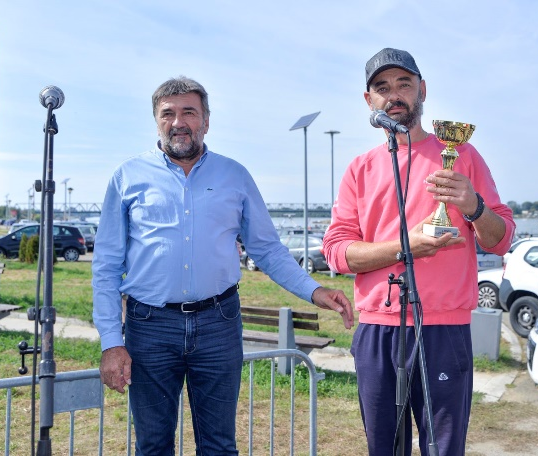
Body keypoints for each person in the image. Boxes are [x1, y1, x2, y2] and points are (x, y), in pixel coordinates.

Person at [92, 76, 354, 455]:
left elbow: (267, 249)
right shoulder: (127, 177)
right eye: (167, 114)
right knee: (152, 445)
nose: (178, 122)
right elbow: (105, 266)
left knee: (219, 445)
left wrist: (314, 290)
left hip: (218, 324)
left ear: (206, 121)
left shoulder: (235, 176)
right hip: (150, 328)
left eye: (189, 112)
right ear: (156, 121)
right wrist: (111, 342)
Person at [322, 48, 515, 455]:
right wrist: (406, 247)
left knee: (443, 449)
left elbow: (500, 240)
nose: (394, 95)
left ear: (422, 90)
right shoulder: (360, 168)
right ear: (369, 100)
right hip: (378, 329)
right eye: (382, 88)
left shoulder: (463, 155)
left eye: (404, 84)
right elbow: (337, 252)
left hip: (443, 329)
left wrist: (474, 206)